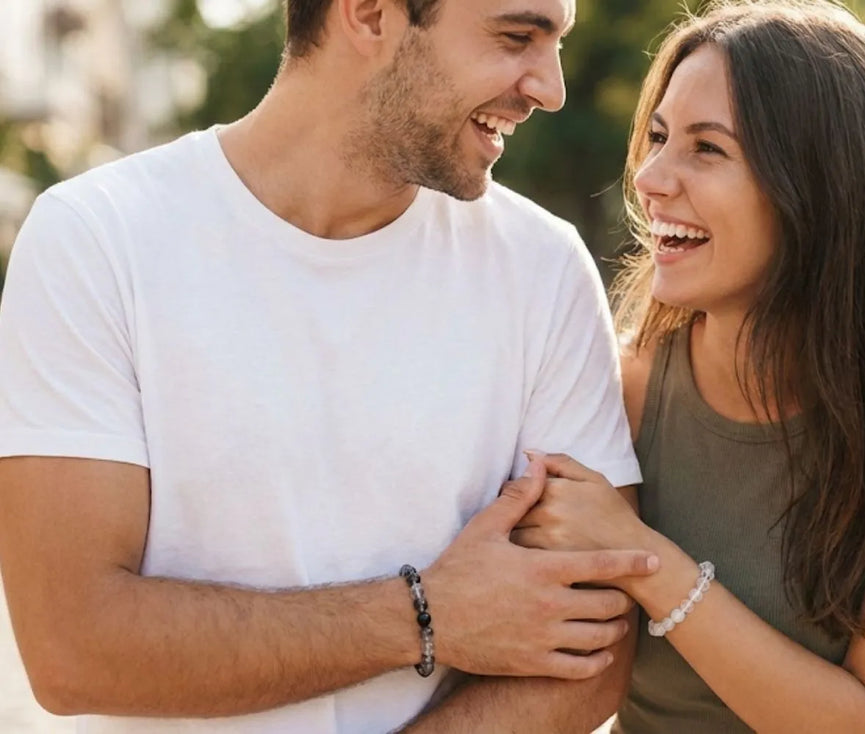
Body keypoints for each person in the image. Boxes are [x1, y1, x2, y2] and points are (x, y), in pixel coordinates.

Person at [0, 1, 659, 732]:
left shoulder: (543, 268)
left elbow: (592, 648)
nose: (551, 87)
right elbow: (73, 651)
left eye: (556, 43)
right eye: (516, 37)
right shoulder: (97, 241)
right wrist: (425, 614)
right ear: (372, 15)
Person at [511, 1, 865, 731]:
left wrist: (649, 562)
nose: (651, 177)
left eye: (706, 148)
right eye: (656, 138)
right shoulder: (620, 388)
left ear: (820, 185)